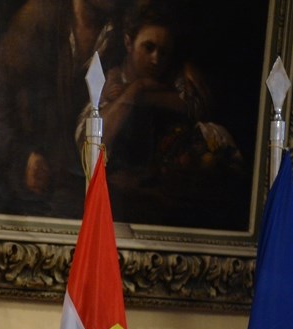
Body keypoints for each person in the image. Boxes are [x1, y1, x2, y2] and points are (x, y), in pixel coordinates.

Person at [76, 0, 247, 228]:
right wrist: (134, 90)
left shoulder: (177, 83)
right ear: (128, 42)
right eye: (148, 48)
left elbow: (195, 109)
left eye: (163, 52)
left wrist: (142, 92)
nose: (156, 59)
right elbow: (92, 144)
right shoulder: (108, 85)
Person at [0, 0, 130, 219]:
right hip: (33, 186)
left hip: (86, 183)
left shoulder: (120, 30)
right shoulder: (38, 18)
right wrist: (21, 156)